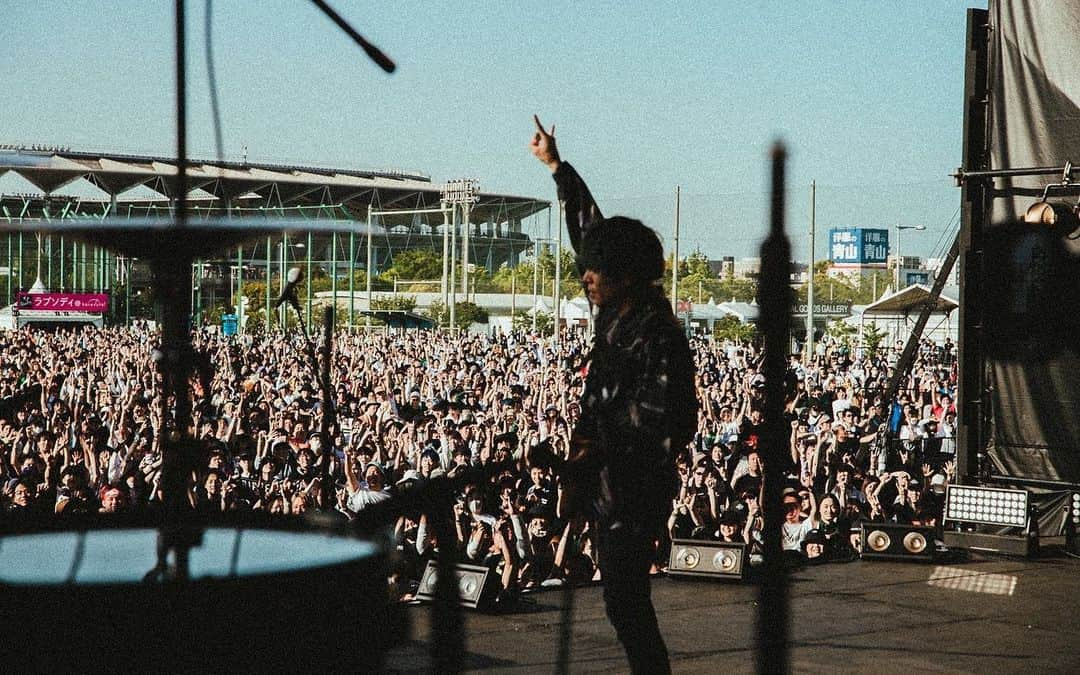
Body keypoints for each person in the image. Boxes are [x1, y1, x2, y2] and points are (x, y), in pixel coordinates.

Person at [530, 115, 698, 675]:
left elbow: (672, 418)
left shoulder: (657, 333)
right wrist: (557, 168)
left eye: (597, 270)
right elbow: (589, 227)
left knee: (626, 602)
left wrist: (599, 441)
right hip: (606, 481)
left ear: (625, 274)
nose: (585, 276)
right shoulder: (614, 312)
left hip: (634, 485)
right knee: (621, 602)